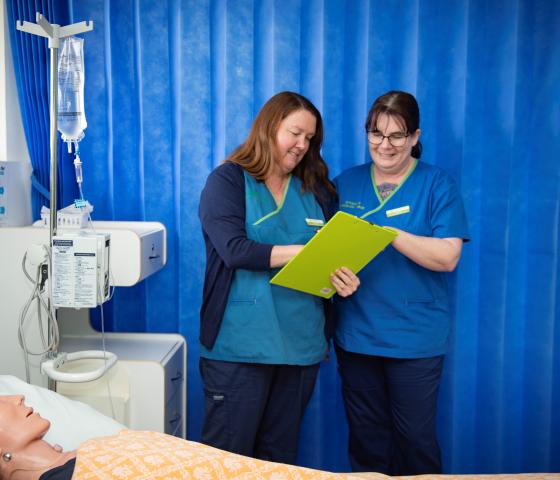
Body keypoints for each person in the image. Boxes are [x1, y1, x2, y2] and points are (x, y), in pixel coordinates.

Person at [198, 91, 359, 464]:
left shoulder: (317, 191)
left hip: (300, 348)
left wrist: (342, 279)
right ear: (269, 127)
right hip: (239, 348)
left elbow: (331, 256)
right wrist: (305, 253)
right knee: (228, 463)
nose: (303, 145)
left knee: (278, 462)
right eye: (295, 133)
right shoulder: (227, 181)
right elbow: (234, 250)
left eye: (310, 138)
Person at [334, 91, 469, 475]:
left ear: (414, 136)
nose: (385, 145)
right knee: (366, 441)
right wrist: (332, 277)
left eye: (397, 135)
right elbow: (325, 249)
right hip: (357, 337)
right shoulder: (346, 184)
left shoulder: (437, 185)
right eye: (376, 134)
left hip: (414, 340)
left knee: (416, 442)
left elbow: (447, 256)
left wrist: (389, 233)